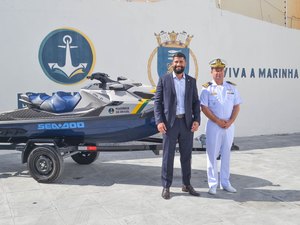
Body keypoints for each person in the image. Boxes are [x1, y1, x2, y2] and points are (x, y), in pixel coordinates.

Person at [154, 52, 201, 199]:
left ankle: (186, 184)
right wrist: (159, 121)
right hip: (170, 124)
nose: (178, 64)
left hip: (187, 124)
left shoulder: (191, 81)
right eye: (176, 62)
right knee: (168, 156)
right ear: (172, 64)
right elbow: (157, 102)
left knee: (186, 156)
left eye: (181, 62)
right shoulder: (164, 80)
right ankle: (166, 186)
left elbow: (196, 102)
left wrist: (197, 120)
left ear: (185, 63)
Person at [199, 58, 242, 195]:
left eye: (221, 70)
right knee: (212, 155)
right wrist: (217, 120)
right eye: (216, 70)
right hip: (214, 125)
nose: (218, 73)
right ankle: (212, 184)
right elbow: (204, 108)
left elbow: (236, 106)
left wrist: (230, 121)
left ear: (224, 72)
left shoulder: (232, 87)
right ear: (211, 72)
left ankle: (225, 182)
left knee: (226, 154)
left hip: (229, 126)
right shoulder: (206, 88)